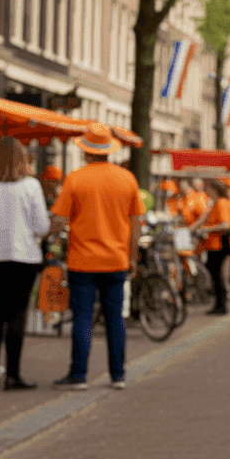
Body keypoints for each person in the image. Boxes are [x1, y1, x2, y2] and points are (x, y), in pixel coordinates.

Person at [49, 123, 145, 390]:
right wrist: (133, 256)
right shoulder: (127, 179)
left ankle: (79, 375)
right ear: (108, 151)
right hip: (116, 260)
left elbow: (58, 219)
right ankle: (118, 375)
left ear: (87, 151)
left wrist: (46, 234)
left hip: (82, 261)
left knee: (82, 316)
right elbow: (136, 224)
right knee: (115, 317)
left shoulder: (75, 179)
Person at [0, 137, 50, 390]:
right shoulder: (31, 187)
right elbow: (41, 227)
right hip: (25, 257)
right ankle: (13, 375)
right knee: (18, 314)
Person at [192, 178, 230, 315]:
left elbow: (226, 225)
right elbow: (203, 219)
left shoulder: (221, 203)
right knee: (215, 275)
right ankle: (219, 304)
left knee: (217, 276)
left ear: (214, 189)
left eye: (208, 188)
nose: (205, 190)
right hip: (213, 245)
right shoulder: (215, 203)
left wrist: (206, 230)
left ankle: (221, 305)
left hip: (218, 245)